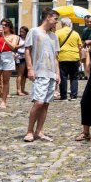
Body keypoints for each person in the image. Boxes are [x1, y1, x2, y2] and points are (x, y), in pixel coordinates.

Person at [23, 8, 59, 142]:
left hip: (51, 73)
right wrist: (30, 69)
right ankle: (29, 131)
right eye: (55, 19)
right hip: (39, 71)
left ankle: (39, 131)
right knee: (38, 102)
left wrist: (58, 74)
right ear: (48, 17)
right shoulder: (34, 31)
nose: (56, 22)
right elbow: (27, 50)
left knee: (45, 103)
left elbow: (56, 57)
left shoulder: (53, 36)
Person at [55, 17, 82, 102]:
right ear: (70, 24)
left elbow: (55, 45)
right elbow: (80, 47)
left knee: (63, 77)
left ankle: (63, 96)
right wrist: (80, 59)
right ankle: (73, 96)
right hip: (74, 57)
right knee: (74, 77)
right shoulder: (75, 33)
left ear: (62, 24)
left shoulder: (58, 33)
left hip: (63, 57)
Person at [14, 26, 29, 96]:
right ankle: (18, 90)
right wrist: (22, 45)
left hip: (26, 57)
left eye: (23, 32)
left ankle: (23, 89)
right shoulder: (18, 38)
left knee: (24, 75)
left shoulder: (28, 38)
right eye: (20, 31)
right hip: (20, 57)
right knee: (20, 74)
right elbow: (14, 46)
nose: (21, 33)